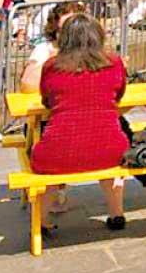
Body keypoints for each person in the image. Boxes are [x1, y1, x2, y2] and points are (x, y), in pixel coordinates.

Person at [31, 14, 129, 234]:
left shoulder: (52, 66)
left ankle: (41, 221)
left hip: (57, 153)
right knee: (109, 150)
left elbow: (47, 100)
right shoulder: (114, 63)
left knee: (46, 166)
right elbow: (119, 95)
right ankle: (117, 214)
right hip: (110, 149)